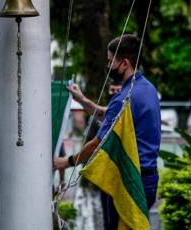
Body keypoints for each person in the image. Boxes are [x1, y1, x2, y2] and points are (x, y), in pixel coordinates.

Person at [53, 34, 161, 229]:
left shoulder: (125, 98)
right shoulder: (146, 88)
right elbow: (107, 115)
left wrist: (65, 162)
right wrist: (82, 100)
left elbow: (97, 143)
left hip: (130, 180)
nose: (108, 66)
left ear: (125, 63)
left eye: (111, 61)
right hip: (149, 178)